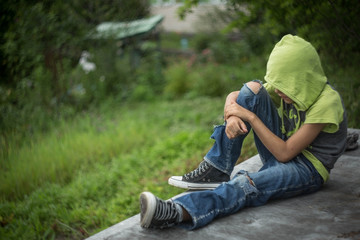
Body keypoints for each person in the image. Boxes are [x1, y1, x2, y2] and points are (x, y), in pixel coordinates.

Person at [139, 34, 347, 230]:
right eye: (277, 85)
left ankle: (177, 211)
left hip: (307, 169)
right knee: (253, 89)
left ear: (302, 80)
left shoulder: (327, 102)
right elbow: (237, 95)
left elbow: (285, 153)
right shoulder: (287, 90)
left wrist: (250, 117)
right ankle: (217, 169)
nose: (278, 91)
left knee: (245, 184)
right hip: (281, 151)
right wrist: (233, 115)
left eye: (284, 86)